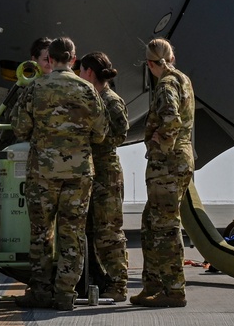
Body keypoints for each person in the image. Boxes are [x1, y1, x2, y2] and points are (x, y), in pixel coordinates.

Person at [13, 37, 108, 311]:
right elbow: (101, 133)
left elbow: (20, 127)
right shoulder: (88, 90)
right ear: (74, 59)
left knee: (42, 232)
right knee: (73, 232)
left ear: (50, 59)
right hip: (78, 173)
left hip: (42, 171)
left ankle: (40, 291)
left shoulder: (35, 88)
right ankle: (65, 293)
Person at [132, 38, 195, 308]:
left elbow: (171, 118)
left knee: (165, 227)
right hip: (178, 159)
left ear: (149, 64)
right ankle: (154, 285)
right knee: (151, 223)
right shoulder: (182, 79)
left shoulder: (167, 84)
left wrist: (162, 141)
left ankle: (174, 289)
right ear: (172, 56)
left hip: (167, 163)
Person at [79, 51, 130, 302]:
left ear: (89, 73)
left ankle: (118, 284)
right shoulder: (94, 98)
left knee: (108, 231)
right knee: (89, 230)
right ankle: (97, 279)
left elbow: (120, 135)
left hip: (106, 172)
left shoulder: (110, 100)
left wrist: (94, 137)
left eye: (81, 71)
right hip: (91, 170)